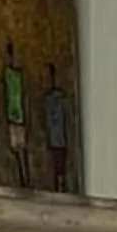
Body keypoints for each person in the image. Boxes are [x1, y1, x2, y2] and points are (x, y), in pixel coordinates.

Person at [2, 42, 32, 188]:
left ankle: (24, 177)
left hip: (16, 116)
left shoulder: (13, 76)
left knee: (20, 148)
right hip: (15, 117)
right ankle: (23, 177)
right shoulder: (11, 75)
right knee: (18, 149)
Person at [42, 61, 74, 193]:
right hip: (55, 139)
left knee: (60, 166)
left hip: (60, 139)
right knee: (56, 166)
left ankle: (61, 186)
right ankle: (58, 186)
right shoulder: (49, 99)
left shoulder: (57, 99)